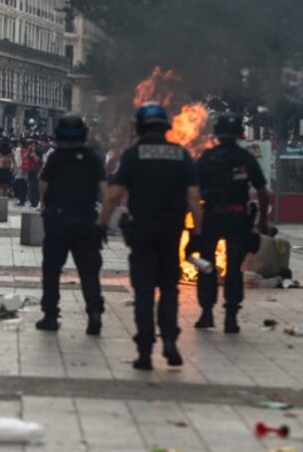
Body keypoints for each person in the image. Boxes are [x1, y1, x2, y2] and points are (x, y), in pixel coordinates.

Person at [97, 102, 203, 371]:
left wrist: (100, 225)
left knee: (144, 291)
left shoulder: (133, 155)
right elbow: (193, 198)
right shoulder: (181, 155)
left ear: (141, 127)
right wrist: (198, 233)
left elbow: (113, 194)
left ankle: (145, 351)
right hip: (172, 232)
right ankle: (169, 340)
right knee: (169, 289)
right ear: (166, 127)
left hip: (142, 231)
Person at [192, 112, 270, 333]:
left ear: (216, 133)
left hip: (211, 217)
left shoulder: (207, 157)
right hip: (237, 218)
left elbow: (193, 192)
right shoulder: (246, 158)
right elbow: (262, 192)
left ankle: (206, 313)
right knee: (234, 267)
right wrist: (262, 220)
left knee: (206, 265)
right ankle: (231, 317)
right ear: (239, 133)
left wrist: (194, 223)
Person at [35, 114, 107, 335]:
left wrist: (45, 205)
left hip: (58, 219)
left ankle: (50, 315)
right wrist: (103, 220)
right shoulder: (92, 158)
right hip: (86, 219)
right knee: (89, 270)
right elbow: (105, 189)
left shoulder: (55, 157)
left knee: (52, 269)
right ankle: (94, 312)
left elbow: (43, 184)